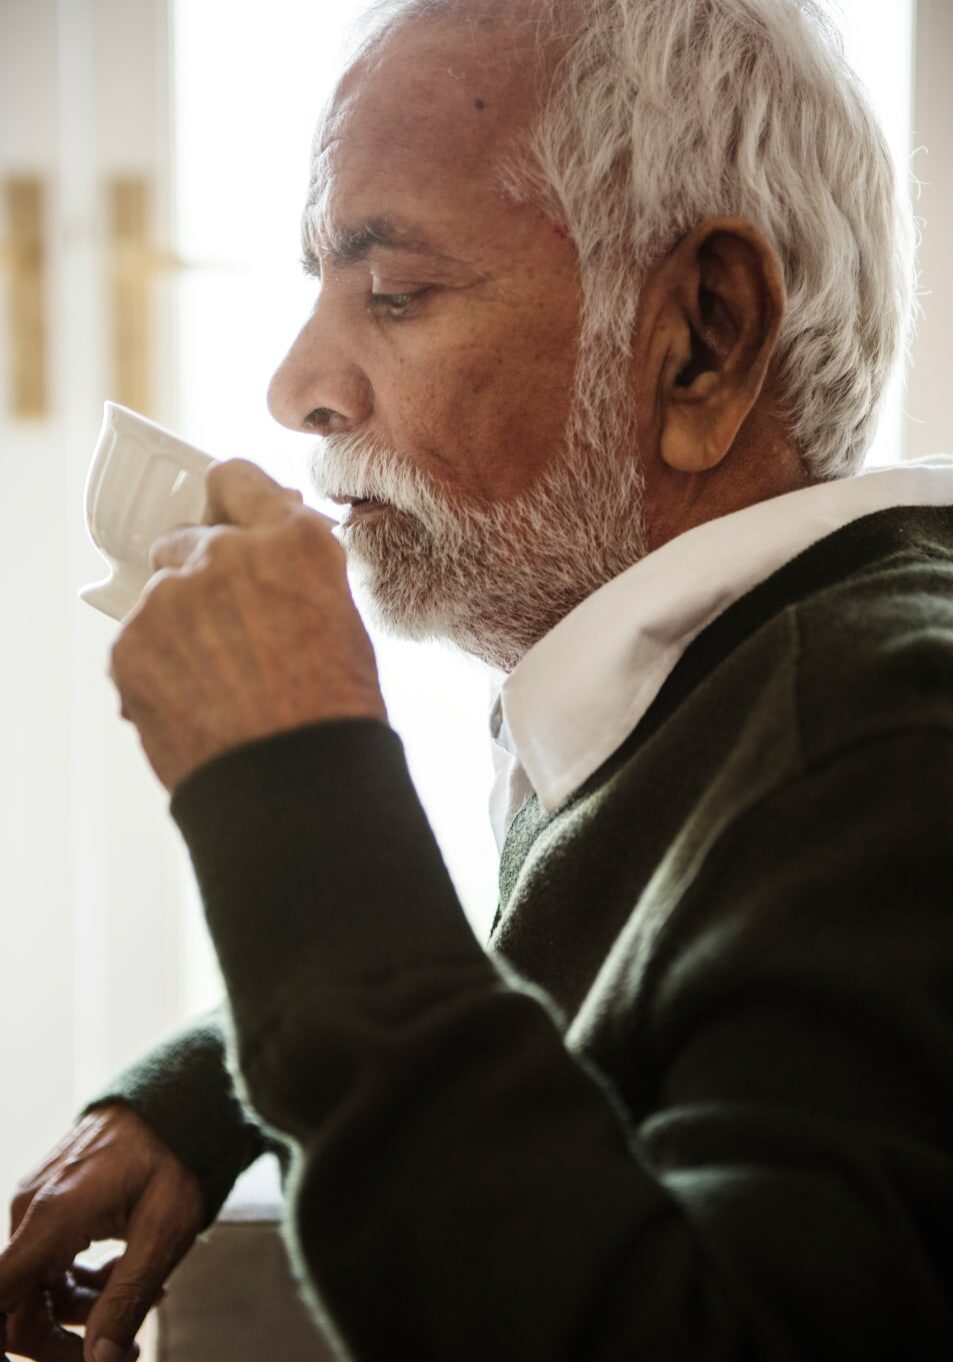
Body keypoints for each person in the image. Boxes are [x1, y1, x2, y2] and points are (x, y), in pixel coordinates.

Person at [3, 0, 952, 1357]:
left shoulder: (886, 746)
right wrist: (210, 1086)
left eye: (393, 293)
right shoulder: (727, 685)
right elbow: (601, 983)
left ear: (701, 335)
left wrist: (294, 795)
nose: (295, 388)